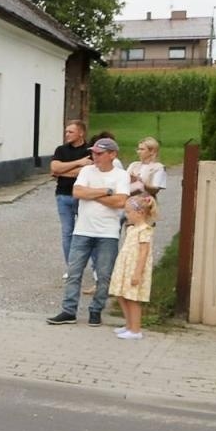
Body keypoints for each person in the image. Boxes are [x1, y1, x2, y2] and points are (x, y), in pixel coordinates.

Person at [47, 138, 131, 327]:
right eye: (93, 153)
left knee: (104, 274)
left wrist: (92, 194)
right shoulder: (86, 170)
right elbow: (77, 193)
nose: (95, 157)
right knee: (74, 272)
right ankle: (69, 310)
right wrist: (106, 192)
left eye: (100, 154)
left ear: (112, 155)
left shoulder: (121, 175)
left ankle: (96, 310)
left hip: (108, 232)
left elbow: (120, 202)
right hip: (83, 229)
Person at [109, 195, 158, 340]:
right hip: (124, 267)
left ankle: (136, 330)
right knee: (120, 294)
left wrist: (137, 273)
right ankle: (129, 325)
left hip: (134, 268)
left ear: (140, 213)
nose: (126, 215)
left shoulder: (145, 230)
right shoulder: (132, 229)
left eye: (129, 212)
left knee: (132, 298)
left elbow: (143, 253)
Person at [49, 120, 91, 275]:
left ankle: (93, 268)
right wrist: (79, 163)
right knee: (67, 232)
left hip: (83, 196)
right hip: (63, 195)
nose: (67, 134)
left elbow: (86, 172)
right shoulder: (61, 150)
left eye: (71, 132)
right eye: (66, 131)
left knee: (87, 231)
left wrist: (62, 171)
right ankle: (72, 267)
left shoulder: (90, 150)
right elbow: (54, 168)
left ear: (81, 133)